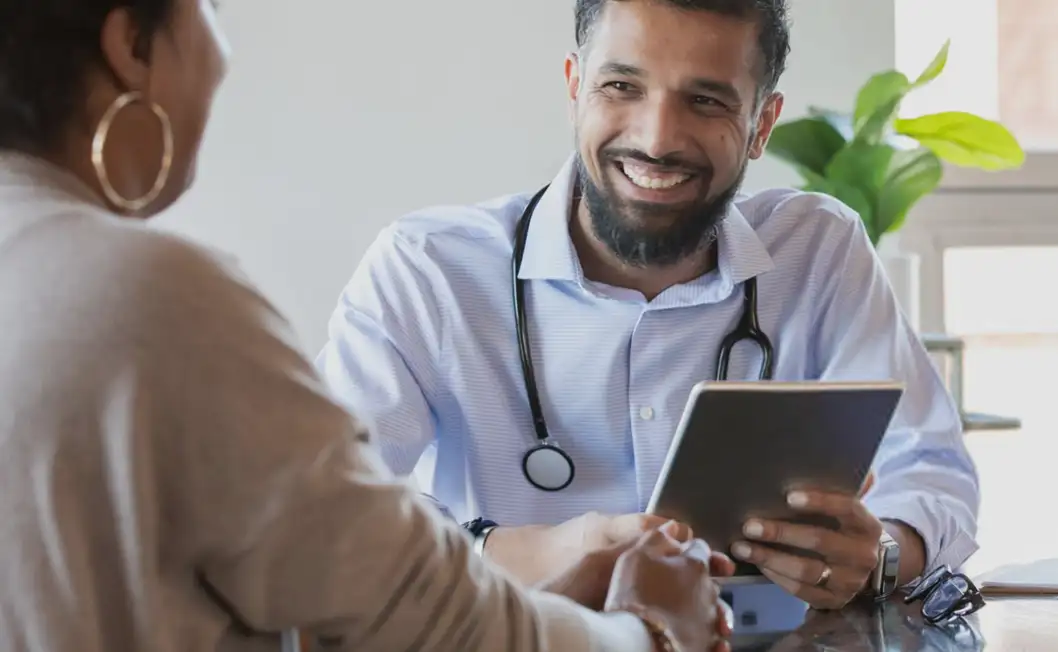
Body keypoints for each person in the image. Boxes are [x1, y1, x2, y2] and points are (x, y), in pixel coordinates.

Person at [0, 1, 734, 650]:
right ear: (131, 41)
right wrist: (647, 628)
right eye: (212, 14)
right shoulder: (153, 296)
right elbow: (412, 613)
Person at [316, 0, 981, 612]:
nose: (658, 138)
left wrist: (882, 551)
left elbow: (931, 472)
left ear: (760, 124)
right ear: (576, 87)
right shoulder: (428, 268)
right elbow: (329, 508)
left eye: (705, 100)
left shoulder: (818, 251)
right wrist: (514, 552)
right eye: (621, 87)